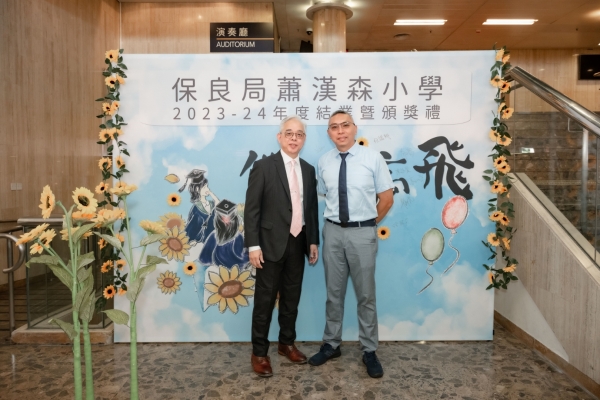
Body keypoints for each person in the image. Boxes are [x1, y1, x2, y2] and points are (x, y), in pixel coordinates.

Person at [308, 110, 394, 379]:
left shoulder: (373, 158)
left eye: (345, 125)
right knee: (333, 293)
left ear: (355, 128)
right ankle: (331, 344)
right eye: (334, 127)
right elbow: (327, 196)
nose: (340, 131)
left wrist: (367, 224)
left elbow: (387, 199)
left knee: (365, 295)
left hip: (362, 234)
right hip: (332, 233)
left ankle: (369, 350)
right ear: (329, 133)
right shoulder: (324, 161)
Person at [244, 115, 320, 378]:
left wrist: (312, 240)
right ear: (280, 137)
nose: (294, 138)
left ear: (304, 139)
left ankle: (286, 343)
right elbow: (252, 210)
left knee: (291, 298)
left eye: (299, 134)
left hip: (298, 243)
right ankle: (259, 352)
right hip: (268, 245)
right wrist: (253, 246)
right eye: (289, 133)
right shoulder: (263, 166)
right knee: (264, 301)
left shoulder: (308, 169)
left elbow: (311, 208)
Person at [180, 169, 219, 245]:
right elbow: (192, 226)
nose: (207, 189)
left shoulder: (211, 203)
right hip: (199, 242)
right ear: (197, 189)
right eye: (204, 187)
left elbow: (218, 205)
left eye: (207, 187)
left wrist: (211, 193)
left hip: (212, 239)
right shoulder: (196, 208)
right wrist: (193, 240)